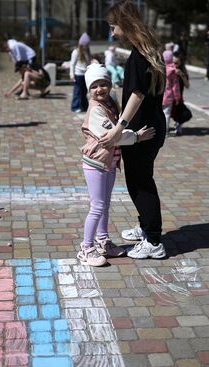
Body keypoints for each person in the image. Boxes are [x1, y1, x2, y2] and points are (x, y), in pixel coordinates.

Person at [100, 0, 167, 259]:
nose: (112, 32)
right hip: (150, 126)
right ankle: (145, 226)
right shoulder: (147, 51)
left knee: (140, 184)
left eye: (113, 26)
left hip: (143, 130)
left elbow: (137, 94)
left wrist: (120, 128)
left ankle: (154, 241)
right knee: (140, 179)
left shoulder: (139, 55)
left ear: (125, 25)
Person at [78, 63, 155, 266]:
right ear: (89, 90)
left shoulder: (110, 103)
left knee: (105, 205)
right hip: (95, 164)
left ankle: (103, 242)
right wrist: (137, 137)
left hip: (109, 164)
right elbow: (113, 136)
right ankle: (86, 248)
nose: (99, 89)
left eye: (103, 84)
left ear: (110, 85)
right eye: (94, 86)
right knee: (97, 207)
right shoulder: (95, 110)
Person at [70, 32, 93, 113]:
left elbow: (88, 63)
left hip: (85, 75)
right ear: (82, 44)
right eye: (85, 45)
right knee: (77, 91)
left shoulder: (87, 52)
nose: (87, 47)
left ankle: (84, 106)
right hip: (78, 75)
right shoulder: (76, 52)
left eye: (88, 45)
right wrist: (72, 75)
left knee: (84, 92)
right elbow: (72, 64)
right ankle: (75, 106)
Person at [162, 50, 181, 135]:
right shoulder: (173, 70)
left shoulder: (160, 68)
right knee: (166, 114)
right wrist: (177, 97)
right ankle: (165, 132)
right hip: (169, 96)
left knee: (159, 114)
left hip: (159, 95)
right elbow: (175, 86)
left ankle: (158, 130)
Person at [172, 51, 190, 135]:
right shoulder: (168, 70)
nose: (174, 65)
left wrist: (181, 75)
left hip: (178, 99)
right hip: (167, 99)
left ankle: (178, 124)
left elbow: (187, 85)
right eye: (173, 63)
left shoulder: (182, 71)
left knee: (186, 114)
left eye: (176, 63)